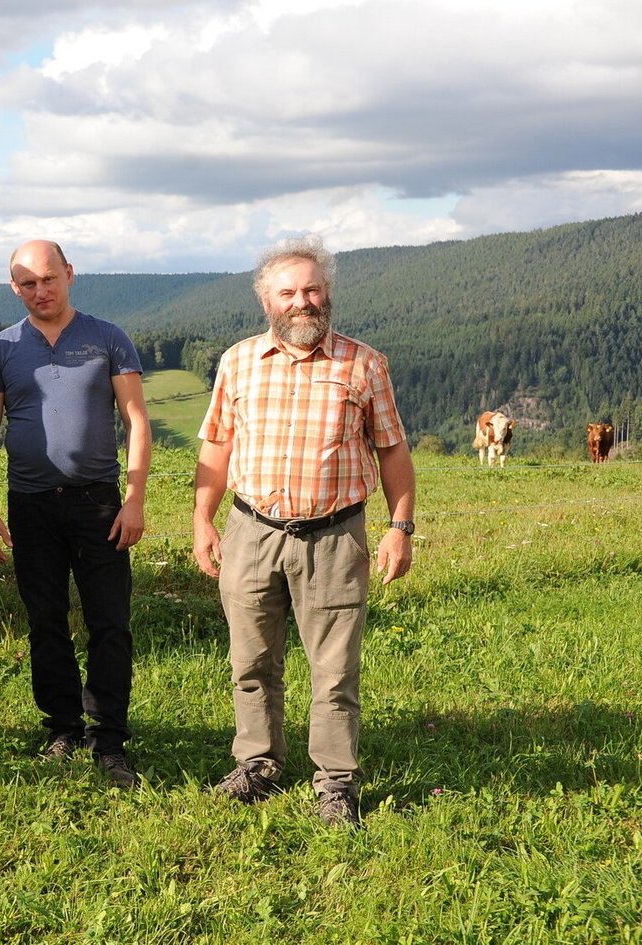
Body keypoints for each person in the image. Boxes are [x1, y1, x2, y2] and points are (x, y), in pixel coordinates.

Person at [191, 234, 416, 827]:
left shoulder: (364, 364)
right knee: (251, 660)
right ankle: (257, 765)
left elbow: (392, 450)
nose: (302, 301)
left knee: (335, 670)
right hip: (250, 530)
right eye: (287, 292)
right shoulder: (237, 362)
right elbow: (216, 446)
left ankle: (336, 782)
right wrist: (201, 520)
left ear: (328, 295)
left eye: (312, 289)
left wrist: (400, 527)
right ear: (267, 301)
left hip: (337, 536)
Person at [0, 240, 150, 788]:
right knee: (45, 622)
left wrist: (136, 497)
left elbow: (136, 421)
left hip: (98, 503)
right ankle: (63, 728)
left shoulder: (107, 338)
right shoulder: (0, 349)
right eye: (28, 283)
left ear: (70, 275)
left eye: (49, 279)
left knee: (109, 622)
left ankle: (110, 738)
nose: (40, 291)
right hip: (30, 506)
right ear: (14, 288)